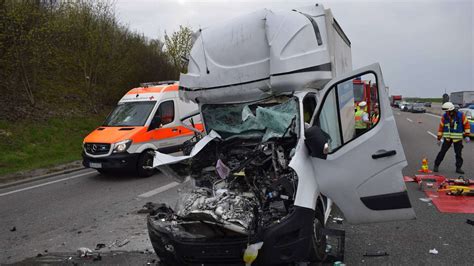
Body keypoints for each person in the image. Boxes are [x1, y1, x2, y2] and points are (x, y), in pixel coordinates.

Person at [433, 102, 471, 174]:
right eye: (445, 111)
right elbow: (441, 128)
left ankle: (458, 168)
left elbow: (466, 125)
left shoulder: (461, 116)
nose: (446, 112)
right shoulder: (444, 117)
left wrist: (467, 135)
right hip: (448, 138)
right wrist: (439, 138)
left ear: (451, 110)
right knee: (442, 152)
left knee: (458, 154)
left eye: (447, 111)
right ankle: (436, 165)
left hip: (457, 139)